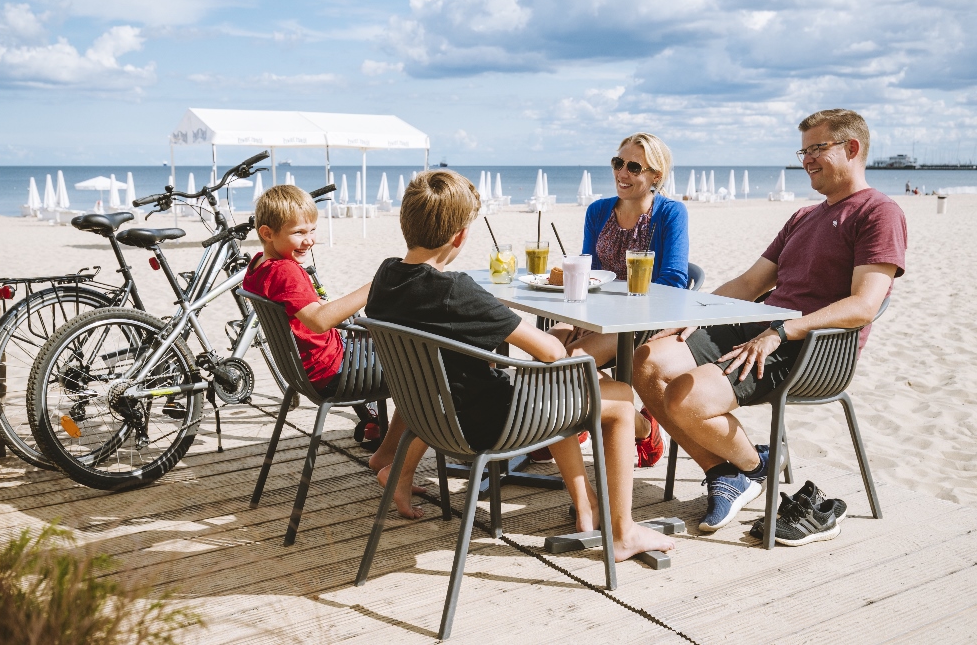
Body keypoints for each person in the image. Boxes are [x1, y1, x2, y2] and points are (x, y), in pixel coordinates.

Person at [365, 169, 674, 560]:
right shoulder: (455, 291)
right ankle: (624, 531)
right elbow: (549, 352)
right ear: (460, 236)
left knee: (549, 387)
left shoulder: (385, 275)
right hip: (486, 427)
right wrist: (563, 343)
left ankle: (587, 505)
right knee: (619, 396)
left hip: (432, 417)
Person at [632, 109, 907, 535]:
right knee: (647, 360)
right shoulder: (803, 216)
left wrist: (780, 332)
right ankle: (739, 468)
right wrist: (694, 313)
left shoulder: (878, 212)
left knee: (685, 396)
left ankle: (751, 464)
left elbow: (863, 305)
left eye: (818, 148)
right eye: (804, 150)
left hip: (810, 347)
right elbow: (751, 282)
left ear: (851, 148)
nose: (807, 160)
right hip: (761, 326)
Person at [543, 133, 690, 468]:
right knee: (545, 350)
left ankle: (642, 427)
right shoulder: (598, 211)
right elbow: (589, 271)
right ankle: (576, 421)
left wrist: (603, 305)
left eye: (633, 166)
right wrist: (575, 315)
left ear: (655, 175)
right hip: (592, 312)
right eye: (618, 163)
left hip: (642, 318)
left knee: (570, 362)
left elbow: (674, 281)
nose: (622, 172)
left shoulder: (670, 214)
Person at [242, 184, 384, 475]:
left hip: (306, 370)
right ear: (268, 233)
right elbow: (319, 321)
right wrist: (374, 287)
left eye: (312, 231)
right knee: (421, 368)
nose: (309, 241)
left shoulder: (259, 265)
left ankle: (381, 433)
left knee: (389, 347)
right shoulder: (286, 271)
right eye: (299, 233)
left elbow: (300, 308)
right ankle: (394, 455)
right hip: (331, 372)